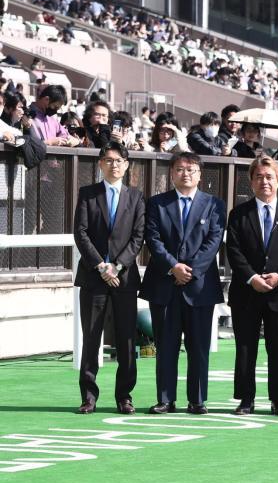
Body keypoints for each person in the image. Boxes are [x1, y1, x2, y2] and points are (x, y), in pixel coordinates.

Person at [140, 152, 226, 415]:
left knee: (198, 346)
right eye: (179, 169)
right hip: (164, 285)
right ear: (171, 173)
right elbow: (153, 238)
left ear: (200, 174)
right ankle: (166, 399)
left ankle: (197, 400)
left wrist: (191, 270)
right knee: (165, 346)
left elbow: (214, 240)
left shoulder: (214, 204)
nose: (185, 174)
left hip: (200, 287)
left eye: (191, 169)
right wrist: (173, 267)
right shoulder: (157, 203)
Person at [226, 156, 278, 417]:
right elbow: (234, 251)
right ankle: (246, 399)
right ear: (251, 182)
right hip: (246, 293)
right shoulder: (238, 214)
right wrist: (252, 278)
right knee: (245, 348)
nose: (264, 182)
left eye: (269, 177)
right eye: (259, 177)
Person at [72, 142, 145, 415]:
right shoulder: (88, 194)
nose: (114, 165)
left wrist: (118, 266)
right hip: (94, 277)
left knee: (126, 340)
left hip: (124, 280)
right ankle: (88, 397)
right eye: (109, 160)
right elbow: (80, 233)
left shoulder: (136, 197)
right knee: (91, 339)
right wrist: (102, 266)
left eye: (119, 160)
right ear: (101, 163)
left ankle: (124, 396)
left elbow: (138, 236)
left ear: (126, 165)